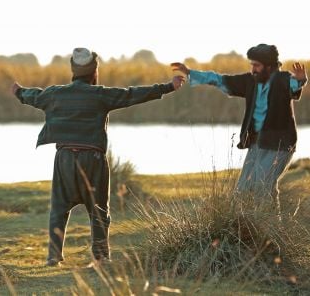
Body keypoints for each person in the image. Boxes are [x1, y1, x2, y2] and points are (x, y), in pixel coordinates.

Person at [11, 47, 184, 266]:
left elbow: (33, 96)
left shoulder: (55, 93)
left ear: (73, 71)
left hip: (64, 158)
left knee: (59, 209)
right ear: (94, 72)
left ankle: (53, 257)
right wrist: (168, 86)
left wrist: (18, 91)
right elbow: (132, 94)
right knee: (99, 210)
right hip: (93, 159)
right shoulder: (101, 94)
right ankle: (101, 258)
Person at [171, 43, 308, 207]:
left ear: (269, 67)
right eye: (252, 65)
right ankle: (256, 226)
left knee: (261, 186)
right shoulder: (249, 81)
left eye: (257, 65)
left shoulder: (283, 80)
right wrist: (190, 72)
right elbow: (218, 79)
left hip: (280, 143)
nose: (253, 69)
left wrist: (300, 80)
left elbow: (295, 84)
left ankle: (268, 227)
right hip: (257, 142)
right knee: (243, 189)